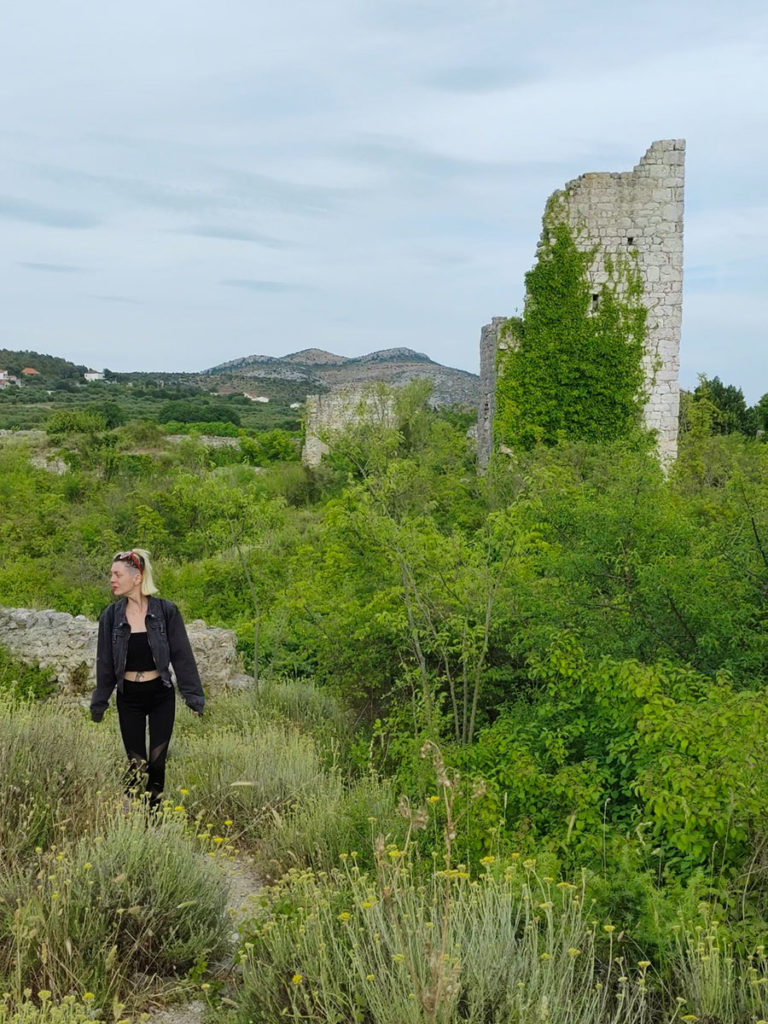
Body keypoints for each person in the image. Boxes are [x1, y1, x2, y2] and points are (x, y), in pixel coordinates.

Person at [90, 548, 204, 807]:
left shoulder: (166, 611)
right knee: (136, 762)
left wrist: (194, 697)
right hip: (129, 697)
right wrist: (100, 702)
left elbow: (182, 656)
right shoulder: (111, 616)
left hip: (160, 694)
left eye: (117, 574)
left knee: (157, 761)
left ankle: (154, 819)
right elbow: (105, 663)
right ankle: (130, 815)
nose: (112, 579)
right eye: (111, 574)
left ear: (137, 577)